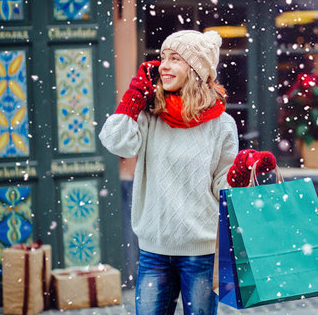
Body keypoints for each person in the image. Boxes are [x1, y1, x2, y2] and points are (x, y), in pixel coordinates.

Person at [99, 30, 238, 315]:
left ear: (197, 70)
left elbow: (223, 187)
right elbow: (115, 142)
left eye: (175, 58)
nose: (164, 65)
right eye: (162, 57)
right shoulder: (151, 114)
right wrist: (133, 99)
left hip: (201, 251)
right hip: (154, 250)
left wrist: (243, 171)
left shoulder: (222, 125)